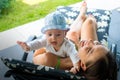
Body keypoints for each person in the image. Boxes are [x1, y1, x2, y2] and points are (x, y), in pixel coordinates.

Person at [32, 1, 117, 80]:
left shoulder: (50, 60)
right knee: (90, 22)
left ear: (82, 65)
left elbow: (35, 56)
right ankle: (84, 17)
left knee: (72, 34)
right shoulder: (89, 58)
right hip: (81, 52)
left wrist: (50, 43)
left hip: (65, 54)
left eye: (90, 50)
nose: (90, 41)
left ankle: (81, 16)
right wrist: (88, 48)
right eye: (97, 43)